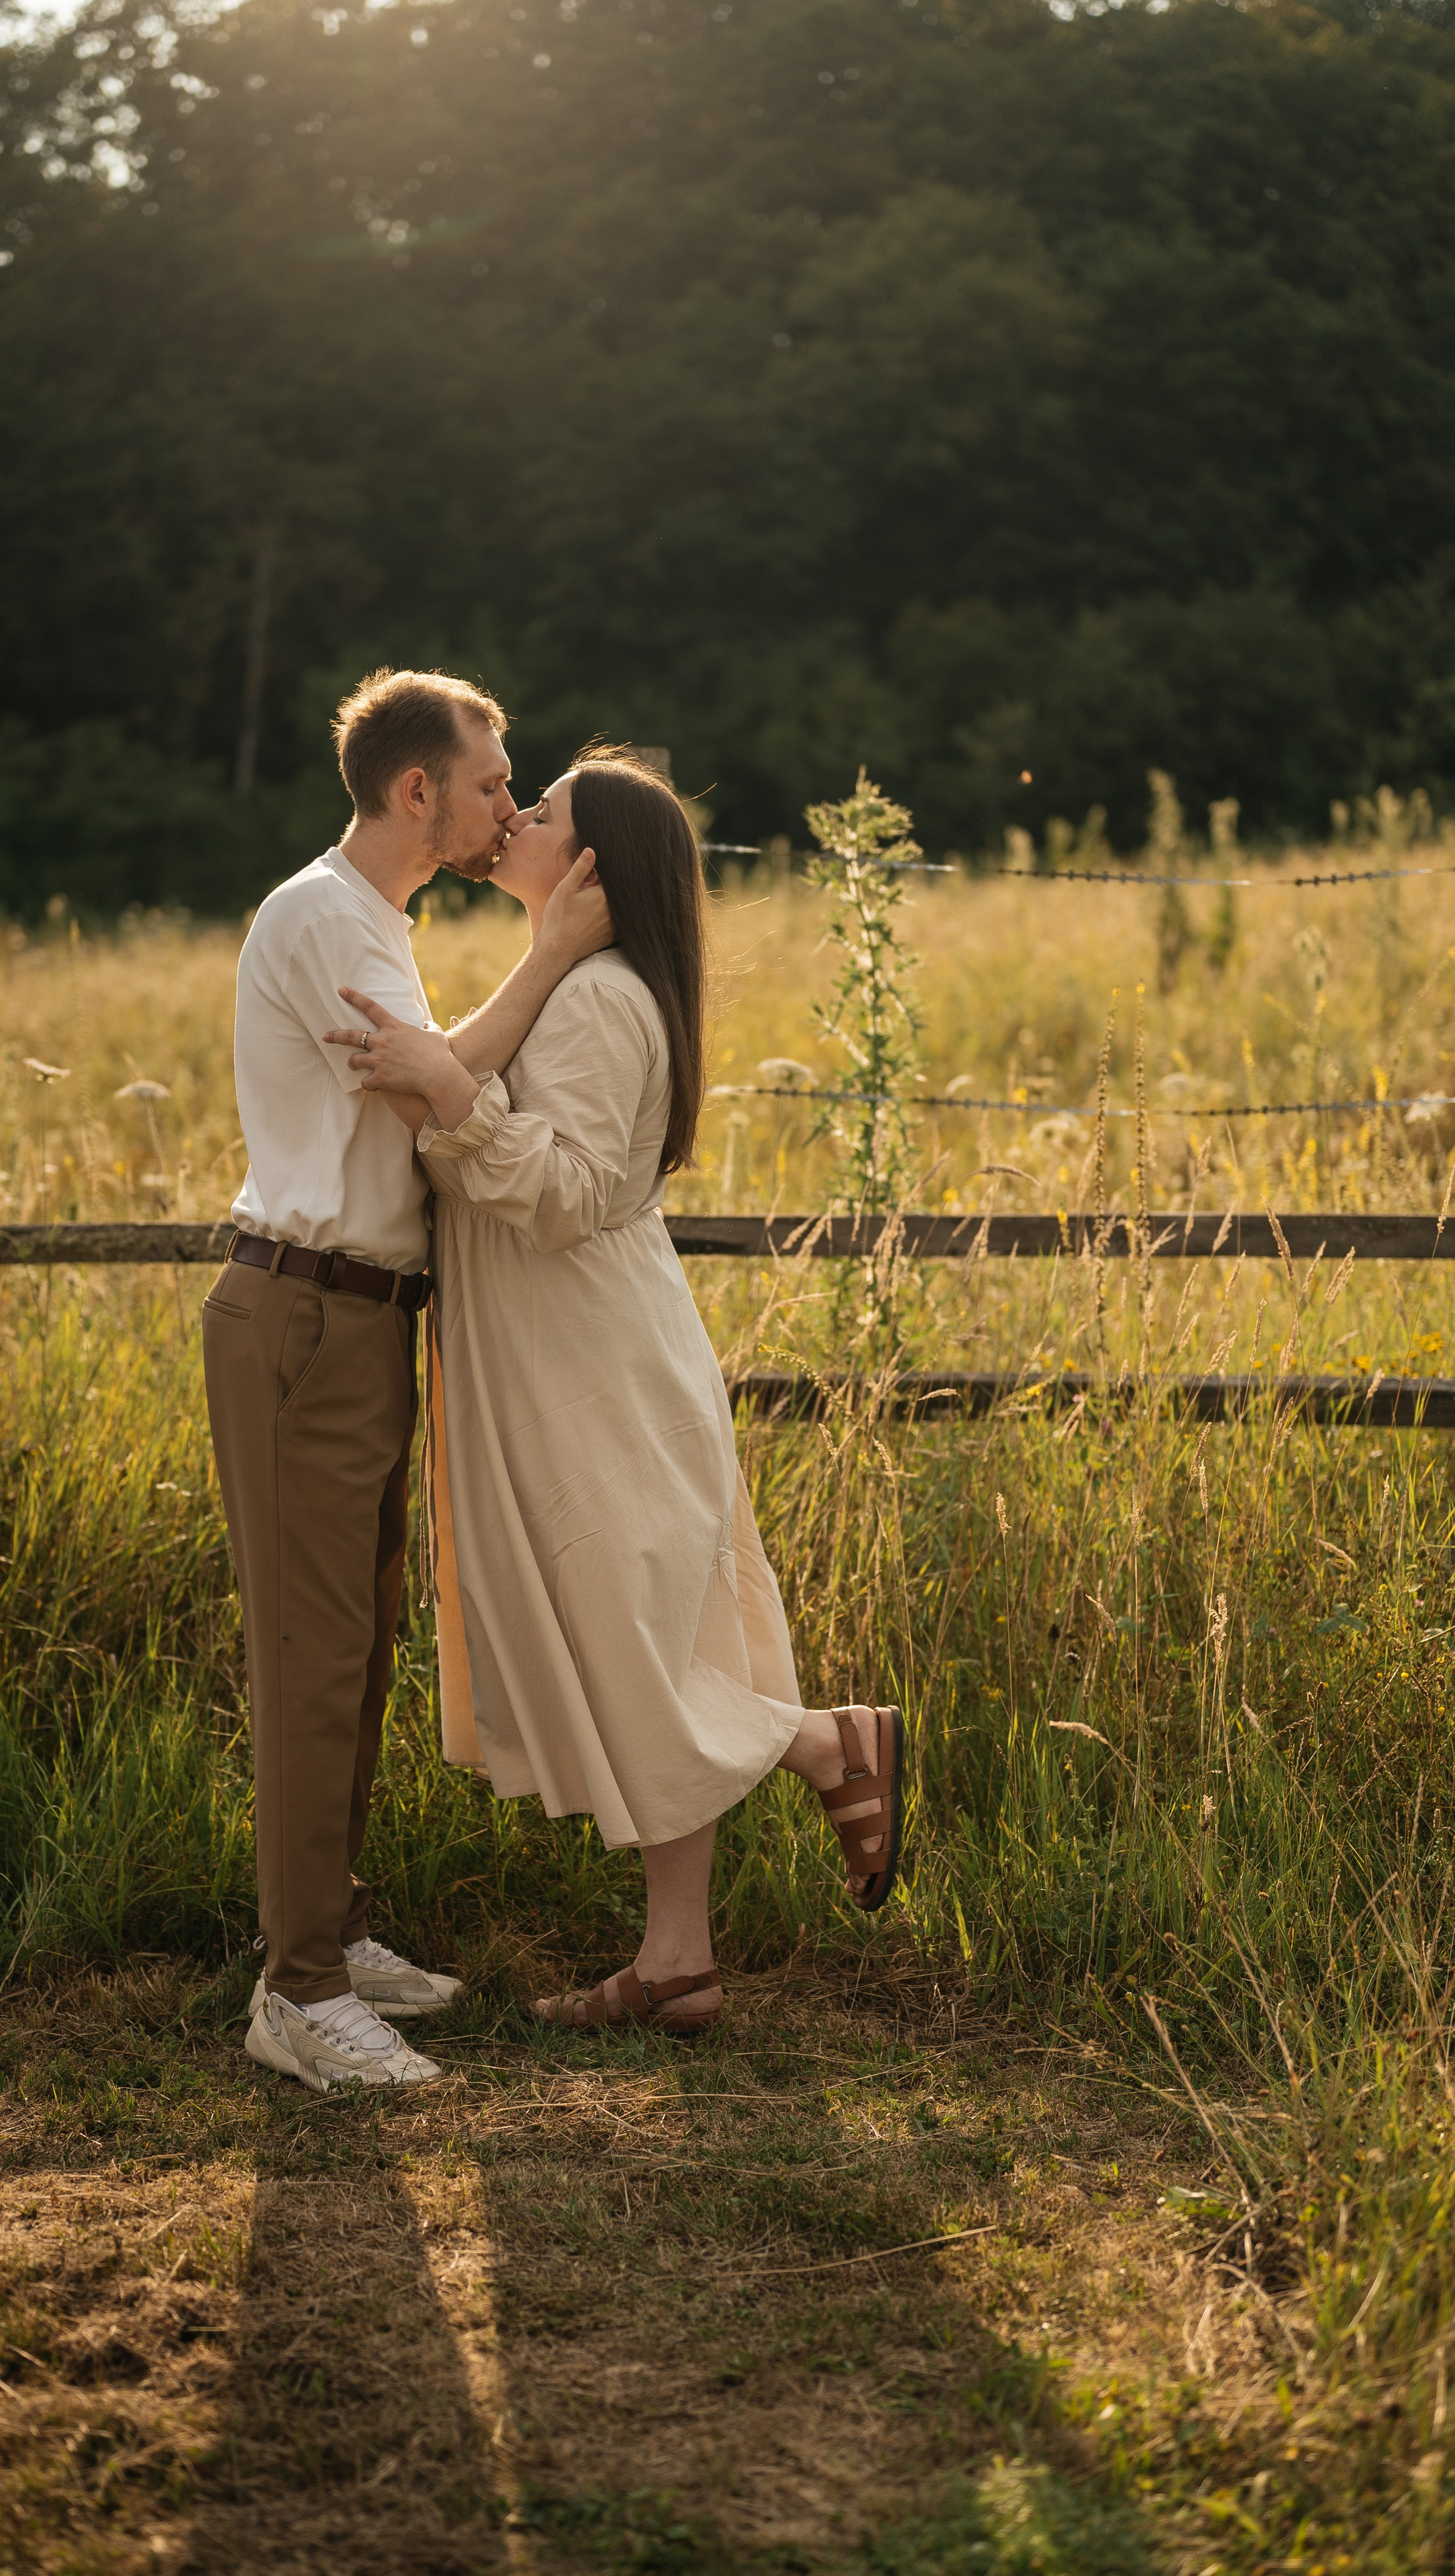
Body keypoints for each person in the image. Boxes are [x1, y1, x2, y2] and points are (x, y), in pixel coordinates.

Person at [324, 748, 908, 2037]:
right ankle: (678, 1961)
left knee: (630, 1642)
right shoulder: (578, 983)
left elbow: (572, 1190)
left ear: (592, 865)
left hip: (585, 1361)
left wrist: (449, 1096)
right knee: (645, 1635)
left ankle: (822, 1746)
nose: (514, 817)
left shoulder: (596, 998)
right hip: (577, 1347)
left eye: (541, 810)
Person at [203, 669, 612, 2094]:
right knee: (313, 1657)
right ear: (416, 789)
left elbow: (433, 1080)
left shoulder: (375, 920)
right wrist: (552, 955)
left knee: (358, 1647)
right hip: (304, 1314)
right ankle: (298, 1990)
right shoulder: (324, 914)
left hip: (361, 1318)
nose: (510, 803)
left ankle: (326, 1928)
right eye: (493, 782)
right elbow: (430, 1083)